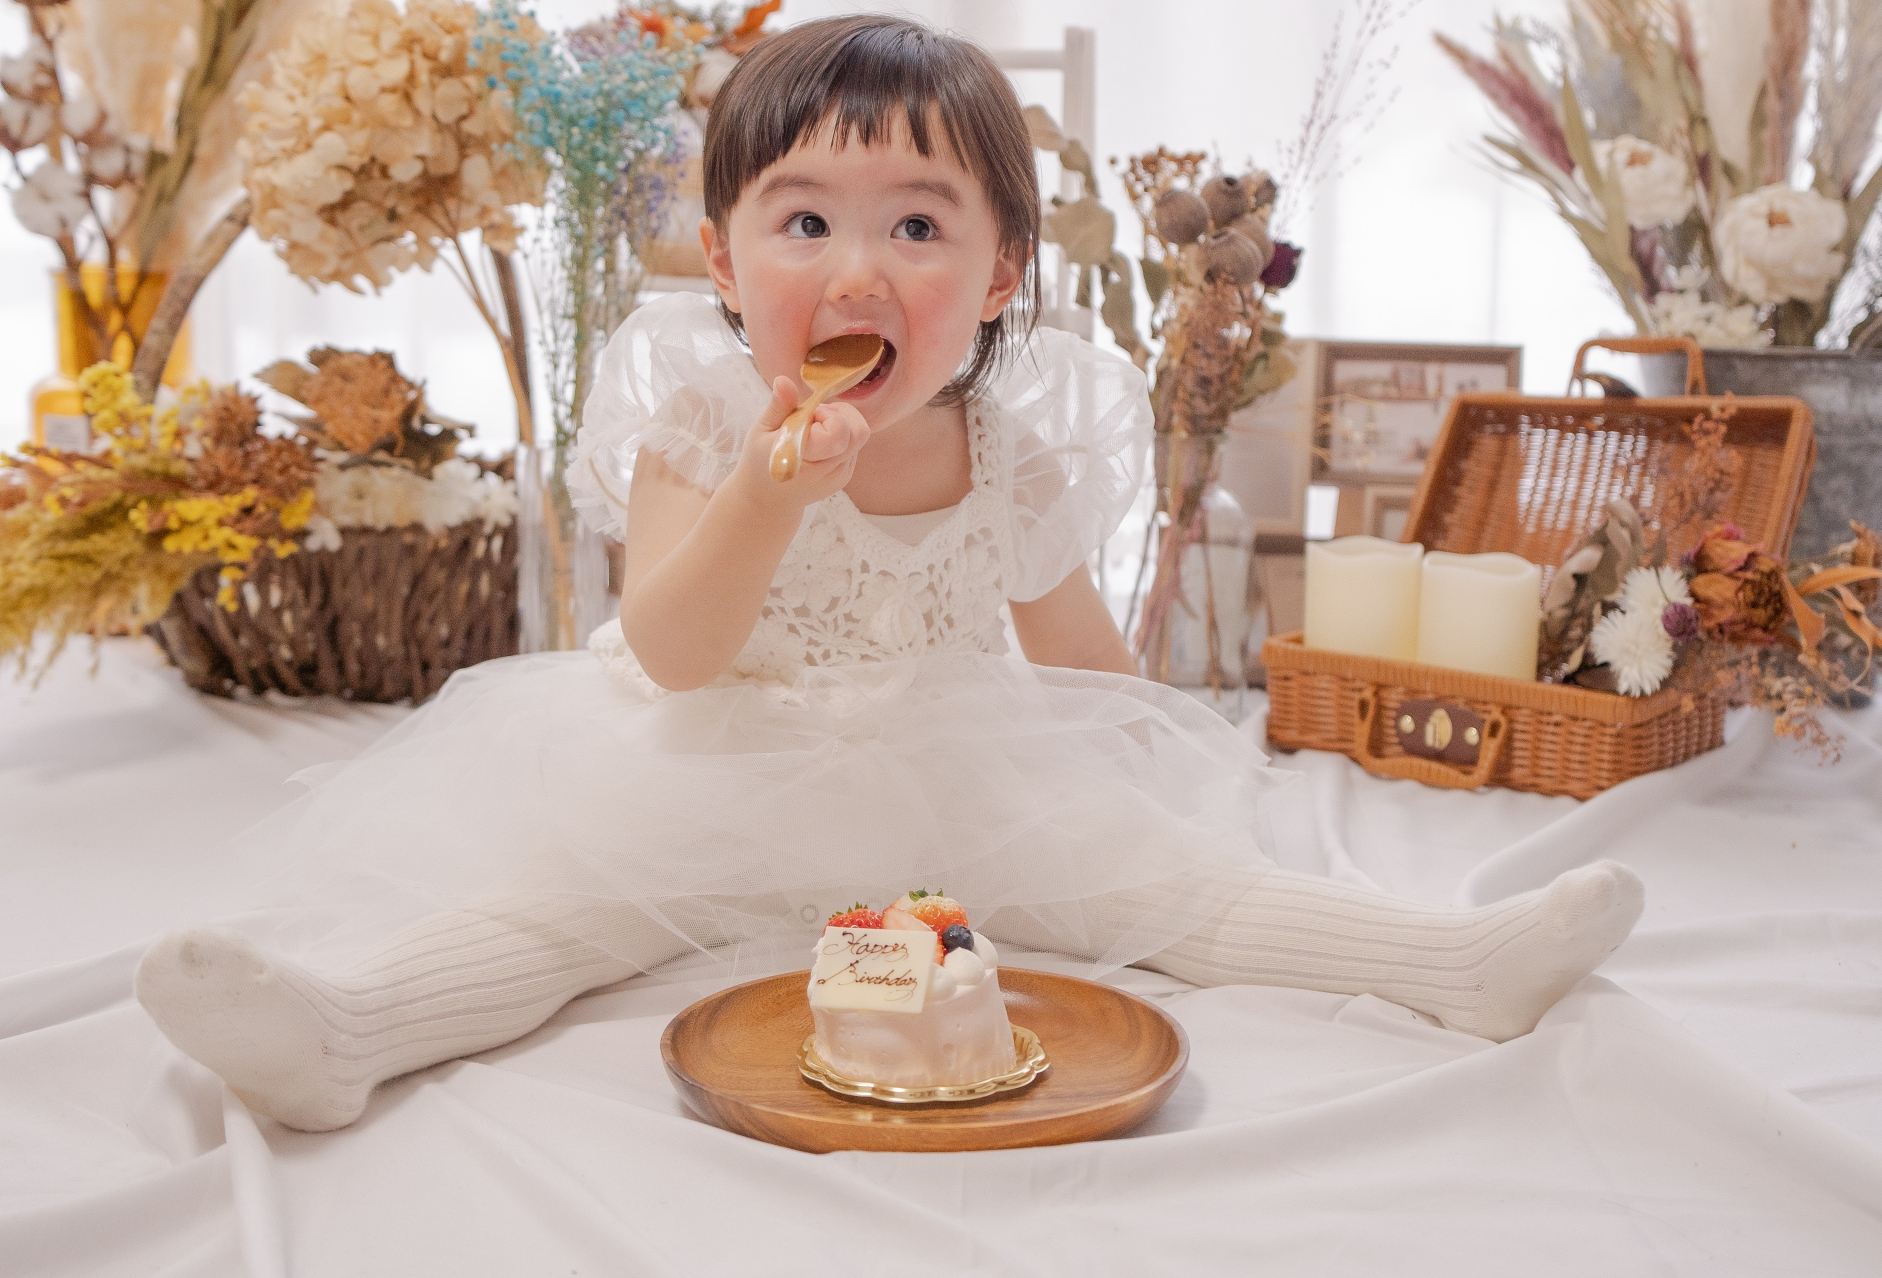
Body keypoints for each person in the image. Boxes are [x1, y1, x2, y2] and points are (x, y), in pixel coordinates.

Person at [134, 15, 1642, 1133]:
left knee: (1171, 890)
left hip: (947, 776)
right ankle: (349, 1031)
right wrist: (763, 497)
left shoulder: (1007, 450)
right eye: (803, 222)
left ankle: (1450, 962)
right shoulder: (700, 418)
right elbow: (671, 653)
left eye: (918, 225)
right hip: (701, 763)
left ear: (998, 275)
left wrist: (1141, 785)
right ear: (725, 261)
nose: (856, 271)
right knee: (562, 911)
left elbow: (1084, 665)